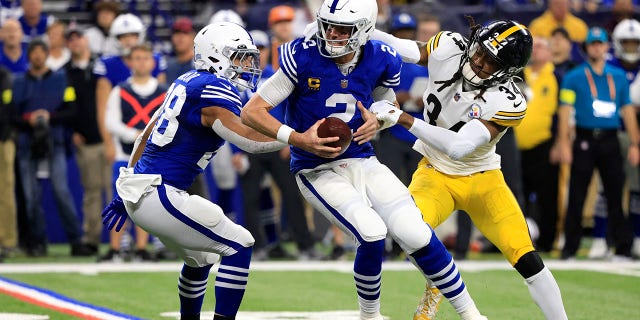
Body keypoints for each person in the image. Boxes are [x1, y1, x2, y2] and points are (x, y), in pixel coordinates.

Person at [241, 1, 487, 319]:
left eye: (341, 29)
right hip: (316, 168)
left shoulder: (381, 55)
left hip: (362, 158)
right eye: (327, 25)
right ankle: (369, 317)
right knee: (371, 232)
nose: (331, 34)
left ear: (365, 30)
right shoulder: (302, 53)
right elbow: (252, 111)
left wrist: (378, 118)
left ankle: (472, 314)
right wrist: (298, 138)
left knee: (415, 232)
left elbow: (387, 101)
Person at [368, 19, 568, 320]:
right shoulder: (450, 47)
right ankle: (437, 285)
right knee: (406, 234)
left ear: (507, 70)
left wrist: (403, 119)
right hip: (433, 173)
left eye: (490, 61)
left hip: (483, 181)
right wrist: (362, 31)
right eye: (479, 52)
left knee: (527, 259)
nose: (478, 62)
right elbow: (405, 49)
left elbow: (459, 146)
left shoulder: (509, 99)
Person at [101, 21, 285, 320]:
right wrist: (298, 138)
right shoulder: (214, 87)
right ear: (216, 57)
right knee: (240, 244)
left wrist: (126, 190)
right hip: (160, 193)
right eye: (239, 57)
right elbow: (249, 141)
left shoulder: (188, 80)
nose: (248, 65)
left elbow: (143, 136)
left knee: (201, 258)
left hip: (146, 191)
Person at [554, 26, 639, 261]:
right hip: (584, 138)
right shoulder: (574, 76)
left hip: (610, 139)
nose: (597, 47)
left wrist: (634, 143)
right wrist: (563, 143)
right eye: (592, 43)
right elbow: (564, 111)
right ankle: (569, 247)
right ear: (586, 48)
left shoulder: (618, 76)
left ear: (607, 47)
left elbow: (628, 110)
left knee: (615, 194)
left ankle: (622, 247)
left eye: (600, 43)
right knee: (577, 195)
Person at [11, 39, 93, 257]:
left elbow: (71, 110)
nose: (37, 56)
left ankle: (76, 240)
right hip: (27, 144)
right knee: (30, 197)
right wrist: (29, 120)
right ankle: (37, 242)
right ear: (29, 56)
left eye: (41, 52)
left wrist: (50, 117)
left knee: (62, 192)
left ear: (47, 55)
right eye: (34, 53)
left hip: (54, 141)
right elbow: (11, 114)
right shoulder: (18, 82)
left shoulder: (61, 79)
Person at [104, 43, 166, 262]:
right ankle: (115, 248)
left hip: (152, 159)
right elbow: (110, 122)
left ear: (153, 62)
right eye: (137, 58)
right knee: (119, 202)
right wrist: (136, 135)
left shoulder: (164, 92)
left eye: (145, 58)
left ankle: (142, 248)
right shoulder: (120, 90)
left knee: (145, 204)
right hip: (124, 157)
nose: (141, 62)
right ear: (130, 62)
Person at [587, 18, 640, 259]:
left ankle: (636, 238)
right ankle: (600, 238)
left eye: (634, 43)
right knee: (605, 190)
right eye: (626, 43)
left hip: (633, 134)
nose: (630, 48)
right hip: (608, 132)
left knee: (636, 189)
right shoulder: (606, 67)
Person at [514, 36, 561, 253]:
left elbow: (563, 113)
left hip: (544, 145)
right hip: (515, 146)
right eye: (535, 47)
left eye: (542, 46)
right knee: (515, 196)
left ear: (551, 52)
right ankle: (517, 241)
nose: (537, 51)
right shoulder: (517, 73)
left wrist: (560, 143)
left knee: (547, 196)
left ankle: (547, 240)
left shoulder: (556, 76)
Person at [65, 27, 107, 256]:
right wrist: (72, 131)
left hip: (109, 138)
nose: (76, 43)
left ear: (85, 41)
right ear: (68, 45)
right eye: (70, 40)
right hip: (87, 140)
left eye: (78, 38)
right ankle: (91, 239)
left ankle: (120, 241)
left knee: (117, 192)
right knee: (91, 191)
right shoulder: (64, 72)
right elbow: (64, 107)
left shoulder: (101, 66)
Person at [0, 65, 14, 261]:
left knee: (5, 190)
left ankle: (7, 241)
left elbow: (8, 108)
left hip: (2, 137)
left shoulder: (3, 76)